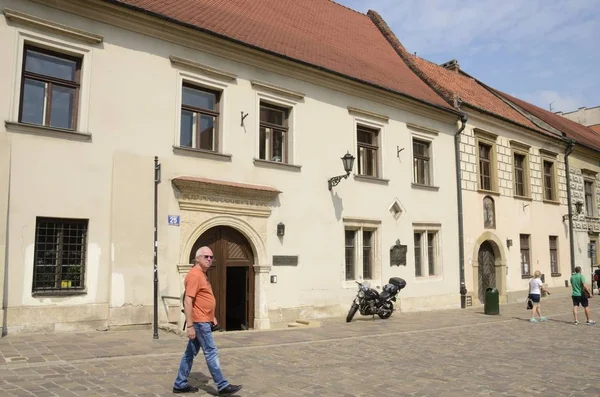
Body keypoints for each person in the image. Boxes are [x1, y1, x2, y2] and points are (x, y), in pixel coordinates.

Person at [173, 246, 242, 395]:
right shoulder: (195, 275)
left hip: (204, 319)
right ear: (197, 258)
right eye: (206, 256)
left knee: (189, 354)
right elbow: (188, 301)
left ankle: (180, 383)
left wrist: (211, 316)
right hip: (199, 322)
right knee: (211, 352)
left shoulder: (202, 274)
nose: (209, 259)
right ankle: (222, 386)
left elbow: (202, 299)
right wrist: (190, 326)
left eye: (211, 257)